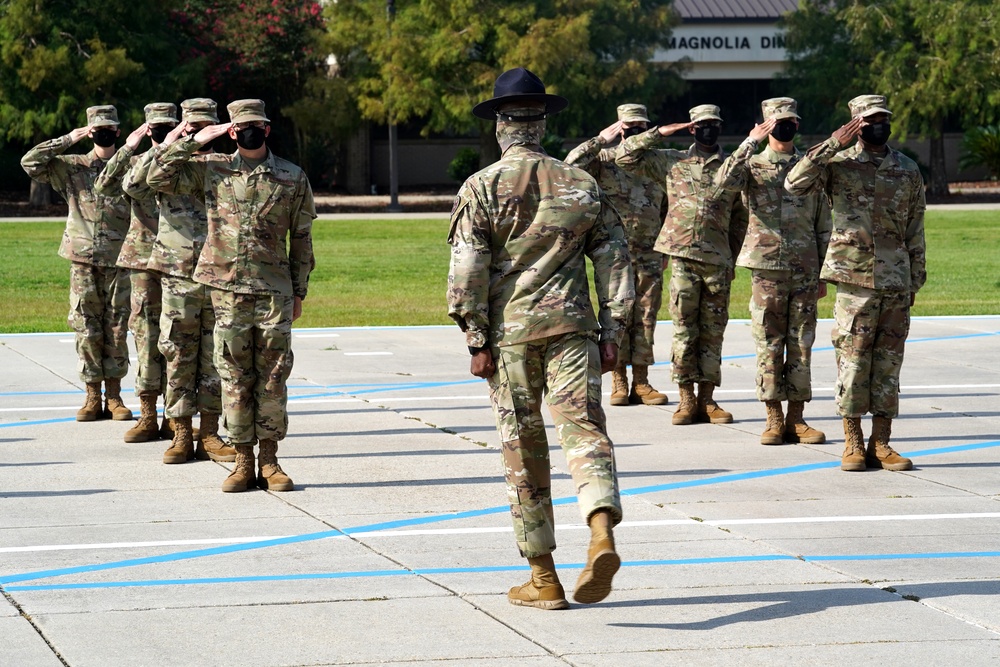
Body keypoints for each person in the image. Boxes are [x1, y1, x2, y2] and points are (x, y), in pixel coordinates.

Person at [448, 67, 634, 609]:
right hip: (574, 329)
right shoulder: (582, 183)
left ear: (503, 125)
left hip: (511, 338)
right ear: (542, 123)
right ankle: (601, 530)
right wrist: (615, 329)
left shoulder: (481, 187)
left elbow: (467, 272)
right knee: (585, 433)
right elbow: (615, 260)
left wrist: (475, 338)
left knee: (523, 450)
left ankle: (544, 577)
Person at [146, 99, 316, 491]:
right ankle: (242, 461)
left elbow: (303, 240)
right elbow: (154, 176)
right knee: (233, 377)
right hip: (225, 291)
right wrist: (193, 140)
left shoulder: (292, 177)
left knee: (273, 378)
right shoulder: (212, 169)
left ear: (267, 129)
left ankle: (270, 462)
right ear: (232, 132)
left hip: (274, 291)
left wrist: (300, 292)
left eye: (256, 125)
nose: (248, 131)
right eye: (241, 127)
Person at [785, 94, 926, 472]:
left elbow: (915, 226)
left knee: (888, 365)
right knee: (852, 360)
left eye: (883, 119)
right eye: (869, 121)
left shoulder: (907, 169)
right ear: (856, 125)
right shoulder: (838, 164)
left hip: (896, 279)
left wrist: (916, 278)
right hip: (854, 279)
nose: (878, 125)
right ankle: (852, 442)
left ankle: (881, 443)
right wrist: (833, 143)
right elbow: (794, 182)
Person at [617, 105, 748, 426]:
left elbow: (740, 219)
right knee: (684, 331)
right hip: (682, 259)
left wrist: (730, 255)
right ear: (692, 128)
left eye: (713, 125)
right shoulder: (672, 160)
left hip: (717, 261)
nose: (708, 130)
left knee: (713, 333)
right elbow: (624, 157)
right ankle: (686, 399)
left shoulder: (732, 167)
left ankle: (708, 399)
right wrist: (659, 133)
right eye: (702, 125)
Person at [714, 97, 831, 446]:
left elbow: (824, 221)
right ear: (765, 124)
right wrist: (749, 142)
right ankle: (773, 417)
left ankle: (797, 418)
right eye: (778, 121)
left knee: (801, 344)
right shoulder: (751, 165)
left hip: (805, 266)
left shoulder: (810, 166)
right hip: (766, 266)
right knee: (768, 342)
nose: (786, 126)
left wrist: (825, 269)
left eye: (791, 120)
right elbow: (722, 185)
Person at [21, 105, 133, 422]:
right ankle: (92, 396)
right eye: (97, 128)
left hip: (119, 260)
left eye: (109, 127)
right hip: (82, 259)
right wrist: (69, 138)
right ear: (89, 130)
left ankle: (114, 397)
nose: (104, 132)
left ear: (118, 131)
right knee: (86, 326)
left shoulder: (129, 166)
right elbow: (30, 162)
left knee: (116, 328)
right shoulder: (72, 166)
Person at [141, 98, 234, 465]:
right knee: (177, 351)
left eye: (205, 126)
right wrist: (181, 141)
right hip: (179, 273)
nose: (200, 132)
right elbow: (140, 183)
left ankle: (209, 433)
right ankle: (180, 433)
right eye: (192, 125)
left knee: (216, 354)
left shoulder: (228, 166)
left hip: (218, 271)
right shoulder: (171, 166)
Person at [565, 104, 669, 407]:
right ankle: (619, 380)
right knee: (618, 315)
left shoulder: (655, 164)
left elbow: (667, 205)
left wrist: (664, 245)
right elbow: (571, 165)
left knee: (647, 317)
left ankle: (642, 381)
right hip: (614, 252)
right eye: (629, 127)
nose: (635, 133)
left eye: (640, 127)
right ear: (619, 129)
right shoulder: (603, 161)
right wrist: (600, 139)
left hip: (649, 250)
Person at [94, 103, 178, 443]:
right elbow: (102, 184)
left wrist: (178, 144)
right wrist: (131, 145)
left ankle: (176, 416)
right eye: (154, 129)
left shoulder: (186, 163)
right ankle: (147, 414)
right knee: (145, 336)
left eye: (165, 128)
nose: (159, 135)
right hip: (143, 261)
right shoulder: (134, 162)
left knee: (177, 340)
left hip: (178, 262)